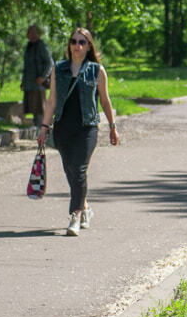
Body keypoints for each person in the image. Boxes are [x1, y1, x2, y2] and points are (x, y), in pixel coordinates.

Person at [37, 28, 119, 237]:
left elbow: (105, 100)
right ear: (69, 45)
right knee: (70, 171)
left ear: (89, 46)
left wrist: (112, 126)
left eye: (82, 42)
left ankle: (75, 215)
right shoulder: (59, 69)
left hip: (87, 127)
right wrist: (44, 128)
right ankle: (85, 208)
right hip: (63, 127)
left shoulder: (96, 70)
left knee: (79, 168)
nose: (77, 46)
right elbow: (52, 100)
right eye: (74, 41)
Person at [21, 24, 53, 126]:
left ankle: (43, 130)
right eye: (30, 32)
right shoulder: (29, 46)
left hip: (38, 83)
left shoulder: (41, 45)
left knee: (39, 108)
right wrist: (23, 82)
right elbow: (26, 66)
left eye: (34, 32)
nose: (32, 35)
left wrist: (43, 77)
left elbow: (49, 62)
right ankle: (38, 129)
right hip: (29, 83)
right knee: (32, 107)